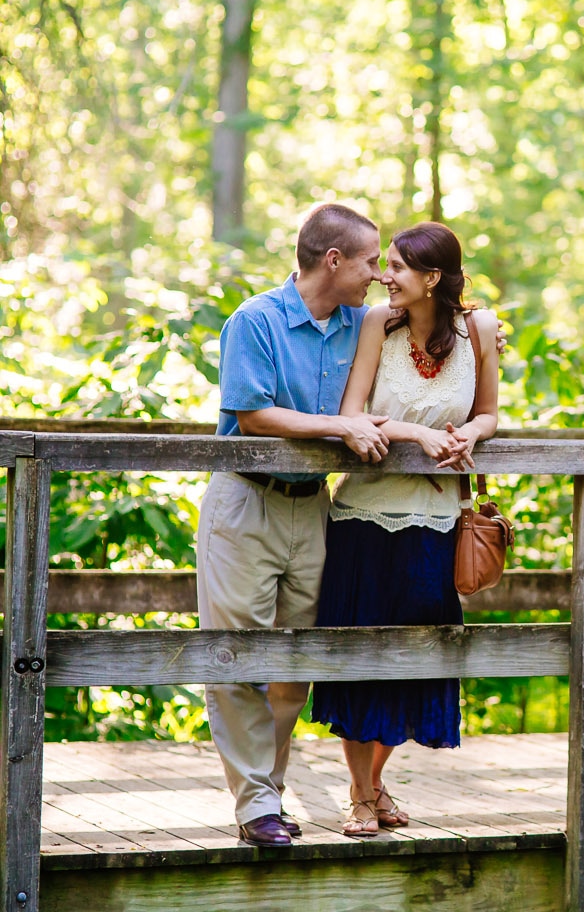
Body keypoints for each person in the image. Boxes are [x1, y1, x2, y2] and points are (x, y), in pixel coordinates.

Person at [198, 202, 391, 848]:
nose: (377, 276)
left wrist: (482, 331)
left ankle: (268, 793)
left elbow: (424, 323)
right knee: (237, 658)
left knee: (295, 662)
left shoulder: (361, 324)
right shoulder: (255, 321)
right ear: (333, 261)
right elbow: (253, 414)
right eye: (370, 262)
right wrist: (343, 425)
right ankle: (256, 806)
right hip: (244, 504)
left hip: (313, 509)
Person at [309, 221, 500, 837]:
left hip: (438, 522)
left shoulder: (480, 330)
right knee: (361, 657)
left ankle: (373, 783)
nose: (383, 276)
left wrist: (471, 432)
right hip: (363, 520)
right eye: (383, 264)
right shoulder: (376, 326)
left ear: (433, 278)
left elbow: (490, 412)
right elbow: (351, 414)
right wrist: (417, 433)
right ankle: (362, 794)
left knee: (415, 659)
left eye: (396, 266)